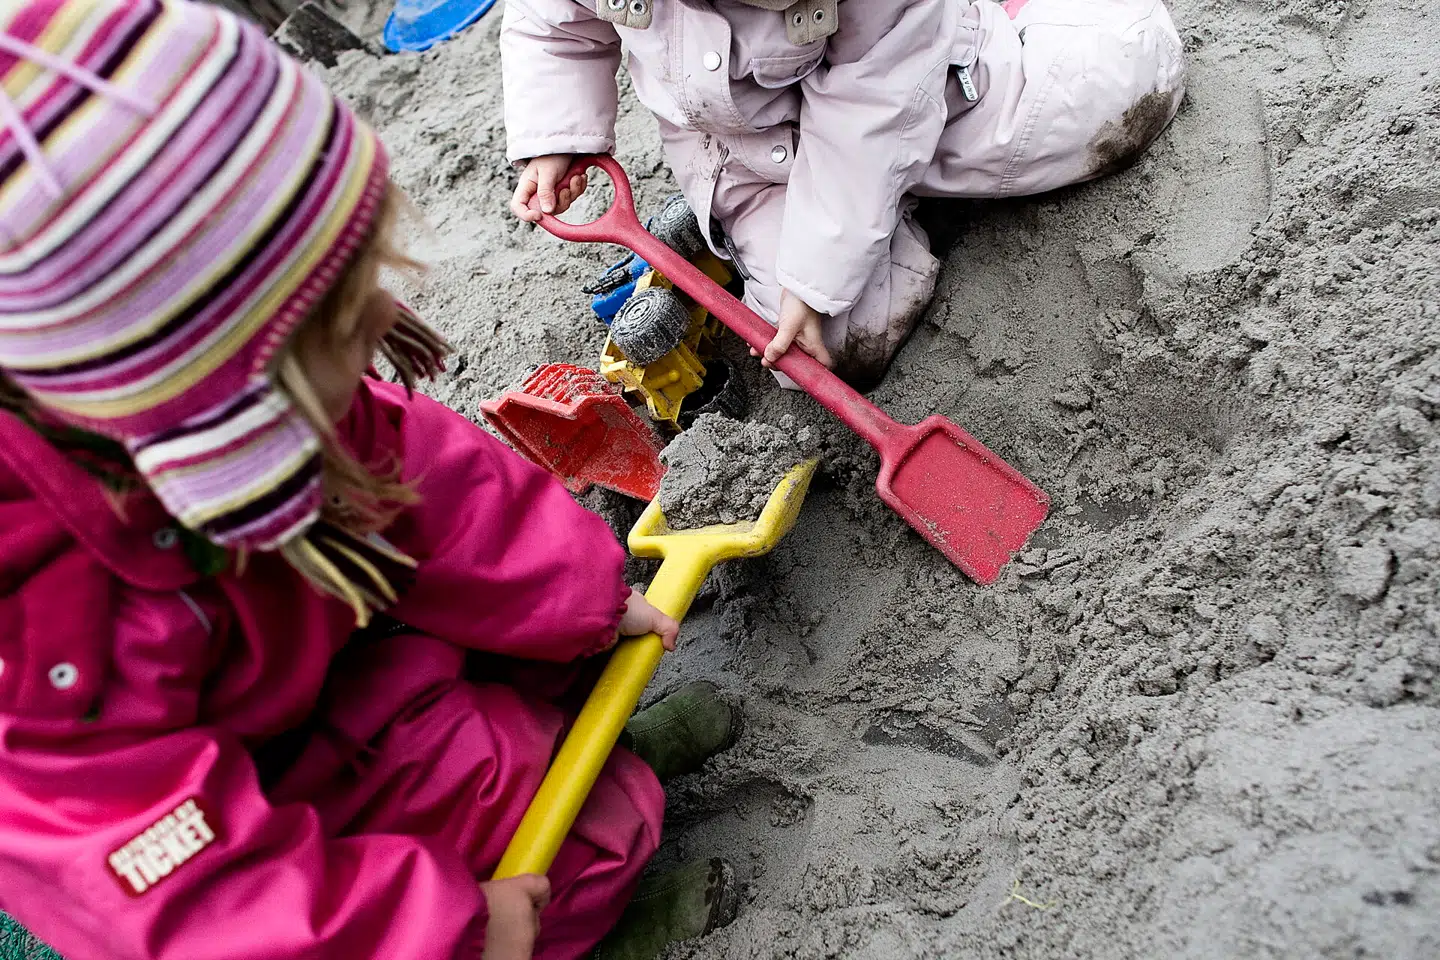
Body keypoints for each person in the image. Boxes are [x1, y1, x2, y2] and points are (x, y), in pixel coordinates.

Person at [0, 1, 738, 958]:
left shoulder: (246, 383)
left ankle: (604, 758)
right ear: (220, 394)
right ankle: (596, 922)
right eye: (339, 327)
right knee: (587, 842)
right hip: (269, 783)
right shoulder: (39, 655)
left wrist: (583, 598)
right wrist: (449, 931)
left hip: (319, 637)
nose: (373, 335)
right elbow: (199, 908)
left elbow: (422, 477)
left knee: (562, 666)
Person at [502, 0, 1186, 389]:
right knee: (827, 352)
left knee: (1125, 85)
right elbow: (550, 23)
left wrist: (817, 272)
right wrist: (554, 135)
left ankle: (1020, 16)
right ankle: (869, 227)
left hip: (926, 92)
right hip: (745, 156)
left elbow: (875, 112)